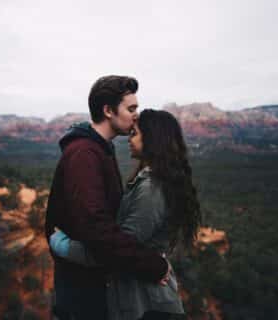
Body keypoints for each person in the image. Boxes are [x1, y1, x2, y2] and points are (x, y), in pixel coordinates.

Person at [50, 109, 202, 320]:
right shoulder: (150, 181)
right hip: (140, 300)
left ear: (152, 140)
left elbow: (117, 250)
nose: (129, 139)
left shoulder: (151, 188)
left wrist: (63, 245)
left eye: (135, 134)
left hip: (148, 305)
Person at [45, 76, 170, 320]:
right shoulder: (84, 154)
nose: (137, 115)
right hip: (82, 289)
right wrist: (154, 265)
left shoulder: (100, 148)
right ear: (108, 111)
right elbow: (97, 228)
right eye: (131, 108)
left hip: (94, 281)